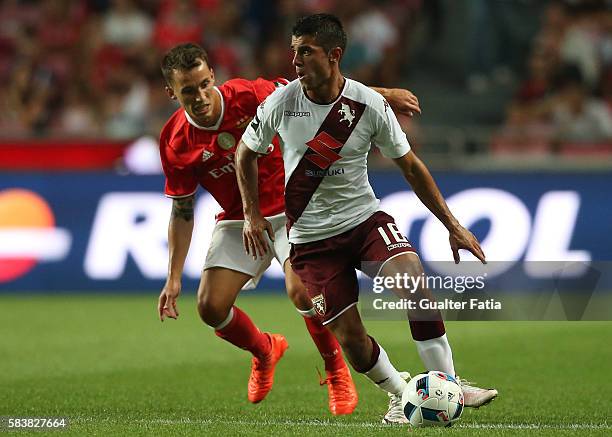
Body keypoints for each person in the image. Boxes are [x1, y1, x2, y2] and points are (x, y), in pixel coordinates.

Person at [235, 14, 498, 424]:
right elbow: (245, 153)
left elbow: (410, 166)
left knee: (414, 284)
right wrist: (252, 214)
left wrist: (453, 224)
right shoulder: (281, 104)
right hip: (310, 240)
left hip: (364, 220)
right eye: (294, 51)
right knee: (353, 343)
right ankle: (401, 394)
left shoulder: (368, 104)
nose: (295, 61)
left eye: (306, 51)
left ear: (334, 55)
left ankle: (448, 382)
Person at [156, 42, 422, 415]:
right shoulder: (173, 140)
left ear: (212, 75)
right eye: (188, 90)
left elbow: (320, 91)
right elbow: (182, 210)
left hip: (292, 208)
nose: (200, 96)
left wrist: (386, 95)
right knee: (210, 307)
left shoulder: (250, 95)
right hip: (239, 219)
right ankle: (264, 350)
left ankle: (334, 368)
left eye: (204, 84)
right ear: (171, 92)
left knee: (301, 291)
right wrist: (172, 278)